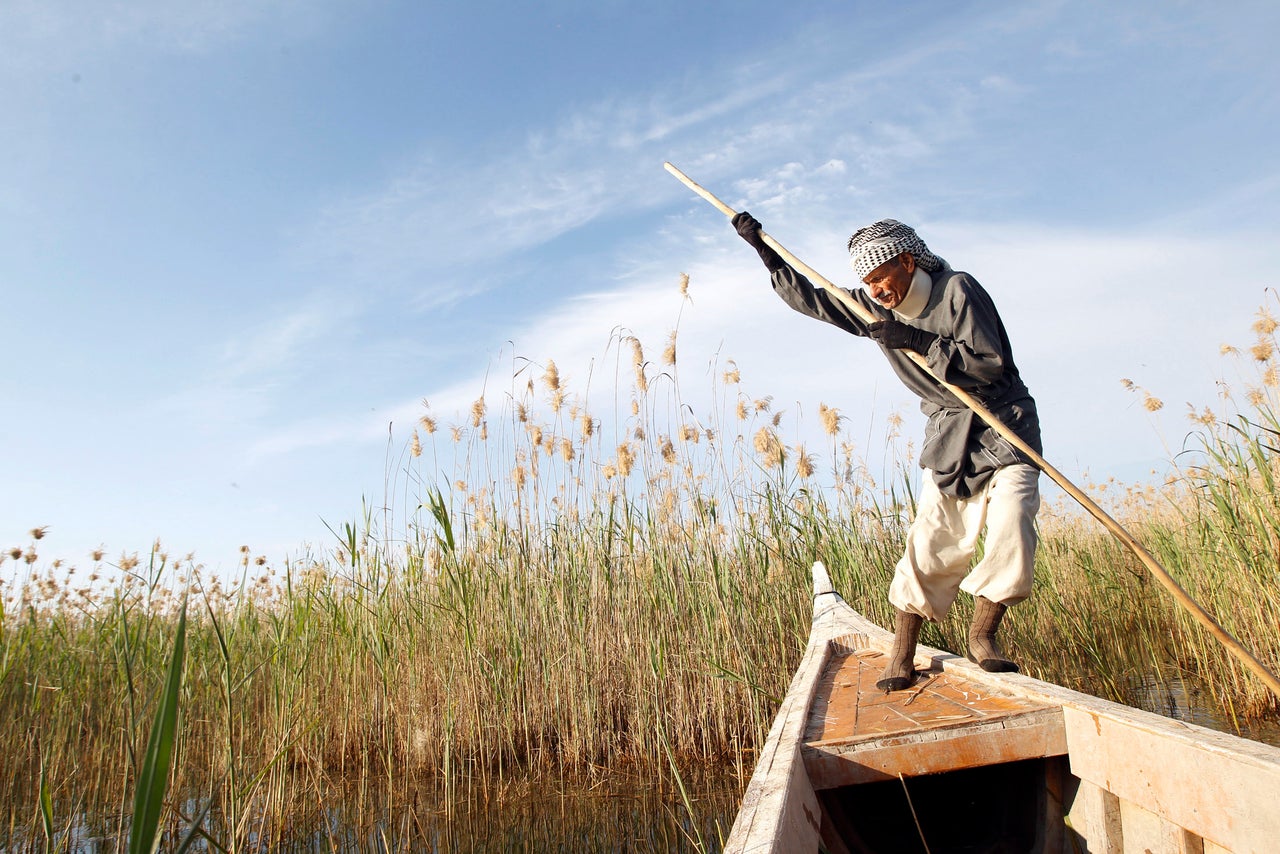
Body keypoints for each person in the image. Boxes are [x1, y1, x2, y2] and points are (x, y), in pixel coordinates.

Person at [732, 212, 1043, 691]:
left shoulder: (957, 289)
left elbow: (988, 364)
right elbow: (817, 300)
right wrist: (764, 251)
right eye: (867, 282)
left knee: (1014, 518)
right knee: (934, 537)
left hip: (1004, 422)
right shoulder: (876, 308)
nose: (875, 290)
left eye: (880, 278)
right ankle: (902, 652)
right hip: (948, 430)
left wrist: (919, 340)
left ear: (906, 261)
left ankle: (983, 635)